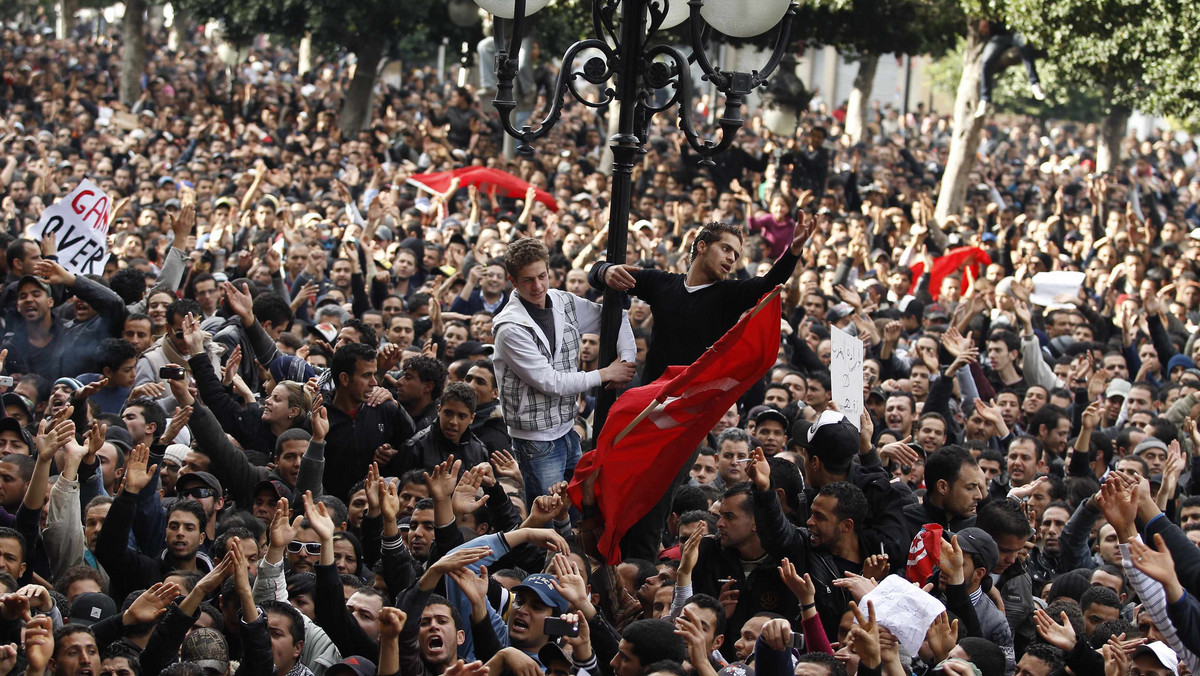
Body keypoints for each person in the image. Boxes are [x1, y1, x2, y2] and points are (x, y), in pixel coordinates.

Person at [493, 237, 636, 501]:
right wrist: (605, 374)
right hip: (536, 439)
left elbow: (615, 317)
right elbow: (549, 381)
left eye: (542, 276)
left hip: (568, 427)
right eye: (528, 280)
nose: (537, 286)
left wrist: (626, 361)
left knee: (576, 507)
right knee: (546, 517)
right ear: (512, 281)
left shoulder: (561, 301)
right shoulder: (509, 328)